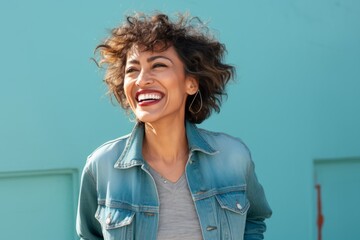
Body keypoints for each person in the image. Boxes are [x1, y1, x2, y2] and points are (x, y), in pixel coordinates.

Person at [76, 12, 272, 240]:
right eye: (132, 69)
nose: (141, 80)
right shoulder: (102, 166)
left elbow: (253, 222)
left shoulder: (233, 157)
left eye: (158, 65)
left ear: (191, 83)